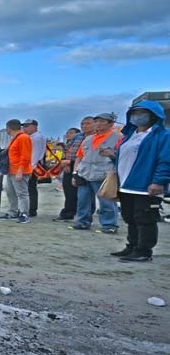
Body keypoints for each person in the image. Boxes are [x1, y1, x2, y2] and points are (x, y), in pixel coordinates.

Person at [113, 101, 170, 262]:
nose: (137, 116)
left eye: (142, 113)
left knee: (145, 219)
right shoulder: (130, 135)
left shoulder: (163, 136)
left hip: (145, 185)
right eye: (134, 113)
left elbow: (165, 160)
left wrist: (158, 181)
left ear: (153, 116)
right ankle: (132, 246)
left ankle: (144, 250)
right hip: (126, 184)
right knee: (130, 217)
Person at [71, 112, 122, 233]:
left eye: (102, 121)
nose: (98, 124)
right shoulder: (88, 139)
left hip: (104, 175)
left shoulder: (118, 138)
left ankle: (109, 225)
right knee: (83, 201)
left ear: (111, 124)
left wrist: (112, 155)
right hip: (85, 173)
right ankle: (82, 222)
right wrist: (75, 173)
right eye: (97, 121)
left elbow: (123, 157)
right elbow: (79, 157)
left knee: (106, 201)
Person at [55, 117, 93, 222]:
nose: (84, 126)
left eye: (88, 123)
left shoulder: (95, 137)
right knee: (69, 190)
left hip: (87, 166)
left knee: (86, 193)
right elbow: (67, 149)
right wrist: (66, 162)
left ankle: (85, 215)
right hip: (71, 165)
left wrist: (69, 162)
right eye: (82, 124)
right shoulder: (78, 136)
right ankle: (68, 212)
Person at [2, 119, 32, 223]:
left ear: (9, 128)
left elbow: (26, 156)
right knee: (10, 192)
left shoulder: (23, 137)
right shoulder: (15, 138)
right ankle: (13, 211)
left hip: (19, 170)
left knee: (22, 193)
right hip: (11, 170)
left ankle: (24, 213)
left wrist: (20, 170)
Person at [21, 120, 46, 217]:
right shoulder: (34, 137)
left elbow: (34, 154)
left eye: (27, 126)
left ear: (34, 126)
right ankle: (30, 208)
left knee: (30, 188)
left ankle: (31, 209)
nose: (24, 128)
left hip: (32, 165)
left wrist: (31, 168)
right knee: (30, 188)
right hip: (33, 164)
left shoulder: (36, 138)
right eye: (24, 126)